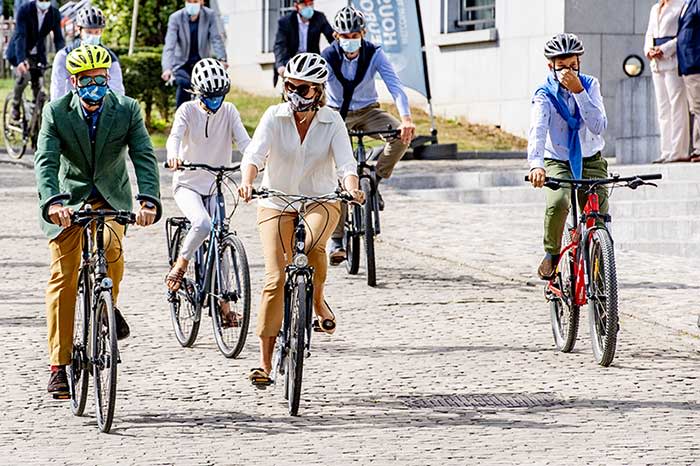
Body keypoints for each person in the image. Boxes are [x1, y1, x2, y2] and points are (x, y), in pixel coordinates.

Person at [34, 44, 161, 398]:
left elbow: (144, 156)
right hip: (67, 199)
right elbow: (45, 162)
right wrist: (53, 202)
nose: (95, 85)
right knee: (63, 275)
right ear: (74, 81)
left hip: (110, 197)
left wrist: (148, 199)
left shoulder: (127, 109)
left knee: (112, 250)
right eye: (88, 80)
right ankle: (58, 366)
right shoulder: (56, 112)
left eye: (101, 78)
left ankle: (108, 305)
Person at [237, 53, 364, 386]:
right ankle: (264, 364)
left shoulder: (331, 120)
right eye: (290, 86)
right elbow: (254, 154)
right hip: (275, 200)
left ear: (318, 92)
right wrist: (248, 181)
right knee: (275, 278)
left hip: (321, 200)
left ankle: (317, 299)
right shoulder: (273, 116)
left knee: (311, 245)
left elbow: (346, 165)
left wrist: (352, 188)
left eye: (304, 89)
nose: (295, 94)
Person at [321, 6, 416, 265]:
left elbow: (395, 85)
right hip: (337, 115)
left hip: (368, 111)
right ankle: (337, 240)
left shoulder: (374, 53)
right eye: (344, 35)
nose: (350, 39)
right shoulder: (328, 56)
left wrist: (406, 118)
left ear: (363, 33)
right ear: (336, 35)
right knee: (343, 176)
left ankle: (375, 178)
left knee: (400, 135)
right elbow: (317, 89)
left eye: (354, 34)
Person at [165, 58, 251, 317]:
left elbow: (245, 142)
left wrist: (256, 160)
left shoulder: (230, 111)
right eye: (210, 96)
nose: (216, 101)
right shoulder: (187, 111)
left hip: (216, 184)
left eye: (220, 95)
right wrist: (173, 155)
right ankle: (181, 263)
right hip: (188, 184)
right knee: (203, 224)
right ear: (198, 93)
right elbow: (175, 137)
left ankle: (224, 305)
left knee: (222, 238)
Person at [527, 34, 608, 280]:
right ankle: (552, 253)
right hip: (557, 160)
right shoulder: (544, 93)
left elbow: (598, 126)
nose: (567, 72)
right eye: (561, 67)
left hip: (590, 158)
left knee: (597, 215)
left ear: (579, 62)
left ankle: (602, 278)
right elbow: (538, 129)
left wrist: (579, 92)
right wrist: (536, 165)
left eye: (572, 66)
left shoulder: (590, 85)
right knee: (559, 202)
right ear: (550, 65)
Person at [645, 0, 690, 163]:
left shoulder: (681, 6)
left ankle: (679, 151)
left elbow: (683, 36)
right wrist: (649, 50)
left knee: (677, 106)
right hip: (656, 64)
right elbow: (650, 32)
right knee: (663, 109)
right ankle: (666, 150)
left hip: (673, 60)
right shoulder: (655, 8)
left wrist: (663, 49)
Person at [161, 0, 227, 109]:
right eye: (189, 1)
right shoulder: (176, 18)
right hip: (182, 63)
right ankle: (180, 118)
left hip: (202, 63)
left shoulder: (209, 15)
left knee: (209, 89)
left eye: (195, 1)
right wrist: (167, 68)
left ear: (201, 1)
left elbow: (216, 38)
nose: (192, 3)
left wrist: (222, 59)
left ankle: (208, 117)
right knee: (184, 84)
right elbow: (169, 45)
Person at [50, 6, 125, 100]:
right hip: (71, 107)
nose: (93, 36)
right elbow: (57, 88)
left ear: (102, 32)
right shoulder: (64, 56)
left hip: (100, 107)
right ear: (79, 30)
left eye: (97, 32)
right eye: (89, 32)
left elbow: (117, 91)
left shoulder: (110, 58)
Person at [6, 0, 64, 119]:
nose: (44, 2)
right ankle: (15, 105)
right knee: (25, 76)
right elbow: (20, 36)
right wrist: (21, 60)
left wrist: (63, 58)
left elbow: (58, 39)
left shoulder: (54, 14)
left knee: (39, 83)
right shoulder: (25, 10)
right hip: (19, 51)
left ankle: (35, 118)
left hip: (37, 54)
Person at [273, 0, 334, 87]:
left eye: (310, 4)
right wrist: (281, 65)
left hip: (311, 60)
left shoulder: (319, 18)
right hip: (292, 61)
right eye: (305, 5)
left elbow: (332, 38)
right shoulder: (286, 21)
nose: (308, 7)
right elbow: (280, 45)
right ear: (296, 6)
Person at [678, 0, 700, 161]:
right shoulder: (687, 3)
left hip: (695, 62)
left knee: (698, 107)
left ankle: (699, 149)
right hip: (688, 63)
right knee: (694, 107)